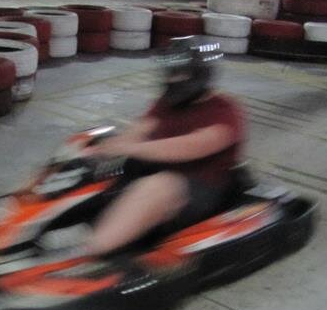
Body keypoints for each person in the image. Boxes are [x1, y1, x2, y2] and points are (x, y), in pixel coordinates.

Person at [75, 37, 247, 257]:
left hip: (202, 189)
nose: (171, 79)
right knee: (88, 146)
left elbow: (188, 147)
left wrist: (129, 149)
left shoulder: (225, 111)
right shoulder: (167, 102)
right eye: (170, 72)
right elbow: (141, 129)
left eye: (178, 73)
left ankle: (88, 253)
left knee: (159, 185)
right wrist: (101, 150)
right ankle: (37, 221)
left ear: (198, 73)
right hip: (157, 171)